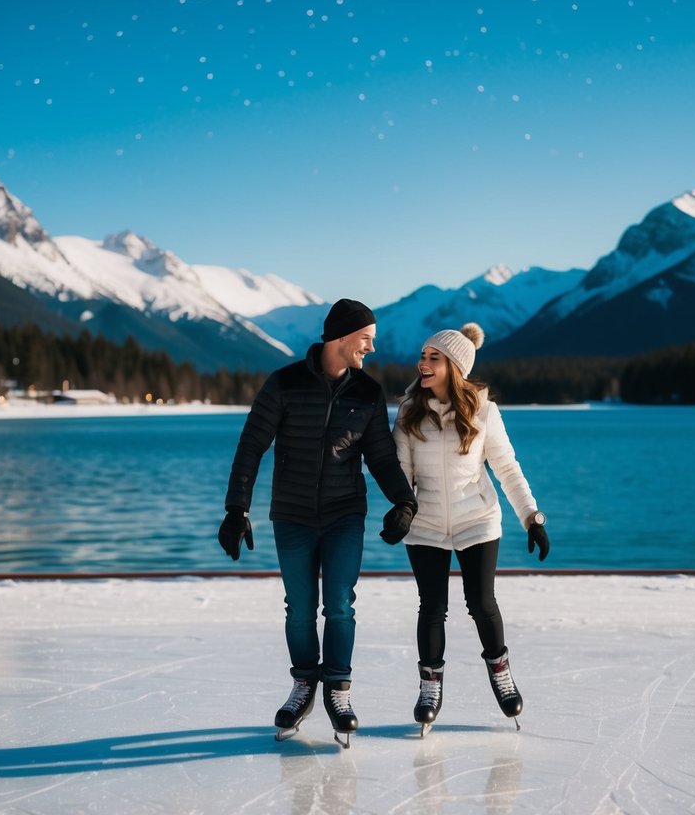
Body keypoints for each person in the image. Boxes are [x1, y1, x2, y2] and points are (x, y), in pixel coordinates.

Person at [219, 298, 417, 748]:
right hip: (292, 516)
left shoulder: (367, 392)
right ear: (341, 337)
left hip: (345, 513)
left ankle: (339, 691)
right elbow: (251, 446)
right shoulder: (284, 384)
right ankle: (305, 683)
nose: (371, 349)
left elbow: (382, 457)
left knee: (341, 606)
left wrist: (405, 501)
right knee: (300, 609)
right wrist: (237, 509)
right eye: (365, 340)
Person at [389, 322, 550, 736]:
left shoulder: (482, 410)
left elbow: (507, 468)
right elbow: (400, 474)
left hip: (477, 521)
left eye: (433, 358)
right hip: (425, 525)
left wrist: (532, 517)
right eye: (422, 356)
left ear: (455, 366)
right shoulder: (408, 412)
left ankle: (501, 672)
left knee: (481, 603)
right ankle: (430, 687)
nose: (422, 363)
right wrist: (403, 510)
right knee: (432, 607)